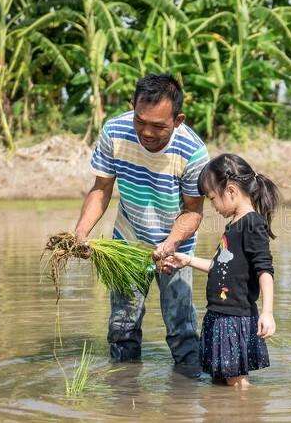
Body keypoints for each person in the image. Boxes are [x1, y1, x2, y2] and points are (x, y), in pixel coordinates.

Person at [74, 73, 209, 366]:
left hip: (175, 249)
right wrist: (81, 234)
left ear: (178, 119)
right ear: (132, 106)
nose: (146, 132)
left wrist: (170, 244)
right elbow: (101, 189)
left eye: (158, 126)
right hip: (127, 242)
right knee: (122, 326)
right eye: (140, 121)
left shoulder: (193, 152)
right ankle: (124, 393)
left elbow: (193, 211)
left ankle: (186, 396)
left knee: (181, 328)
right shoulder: (115, 131)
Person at [163, 153, 279, 389]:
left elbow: (264, 270)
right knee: (221, 380)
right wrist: (187, 260)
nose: (213, 206)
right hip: (219, 314)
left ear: (232, 191)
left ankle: (246, 411)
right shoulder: (234, 225)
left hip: (234, 318)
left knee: (236, 383)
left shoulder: (252, 223)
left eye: (212, 198)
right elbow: (221, 268)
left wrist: (267, 312)